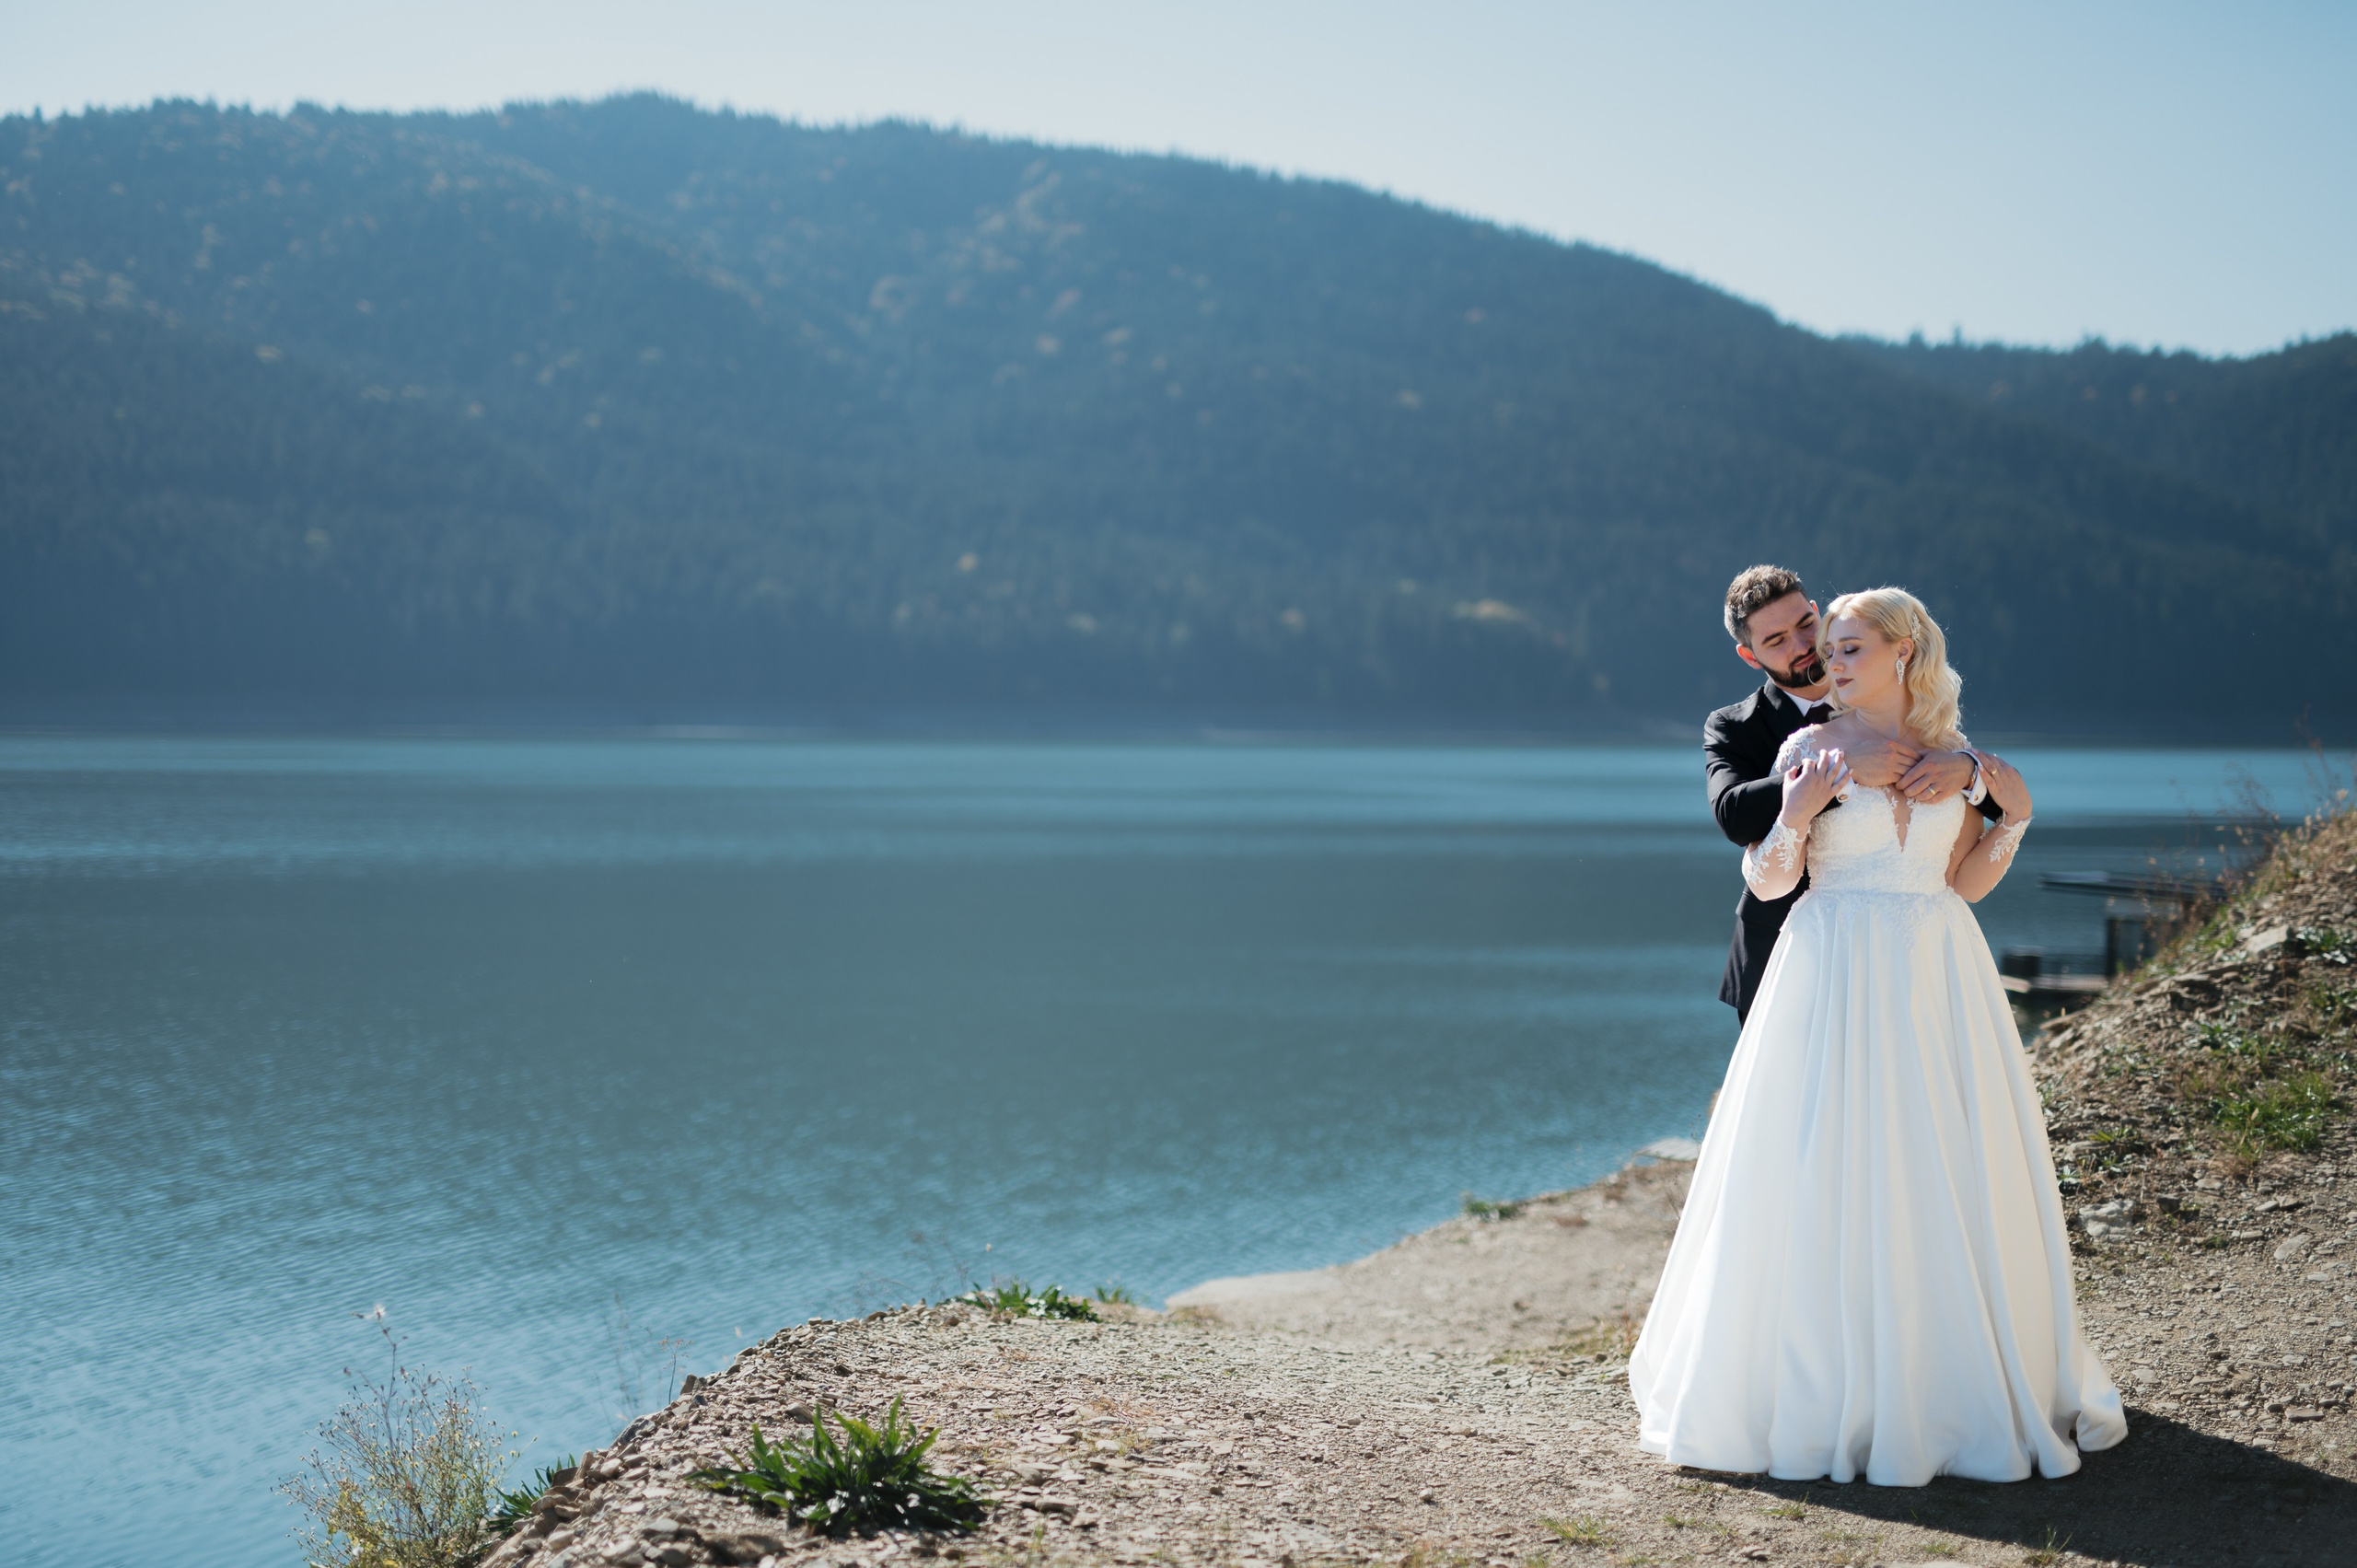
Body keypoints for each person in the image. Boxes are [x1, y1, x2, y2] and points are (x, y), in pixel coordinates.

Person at [1631, 587, 2126, 1485]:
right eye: (1829, 647)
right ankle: (1828, 1391)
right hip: (1830, 972)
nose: (1830, 660)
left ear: (1904, 651)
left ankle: (1950, 1380)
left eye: (1850, 646)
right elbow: (1772, 878)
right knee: (1826, 1165)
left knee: (1942, 1161)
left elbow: (1969, 881)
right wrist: (1793, 807)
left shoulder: (1950, 754)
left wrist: (1996, 803)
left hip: (1937, 970)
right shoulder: (1808, 745)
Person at [1704, 566, 1994, 1021]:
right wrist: (1843, 771)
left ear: (1818, 613)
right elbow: (1734, 814)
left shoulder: (1902, 706)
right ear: (1750, 655)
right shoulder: (1733, 726)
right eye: (1777, 641)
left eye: (1805, 625)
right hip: (1783, 948)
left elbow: (1986, 802)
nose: (1803, 647)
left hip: (1913, 956)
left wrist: (1967, 768)